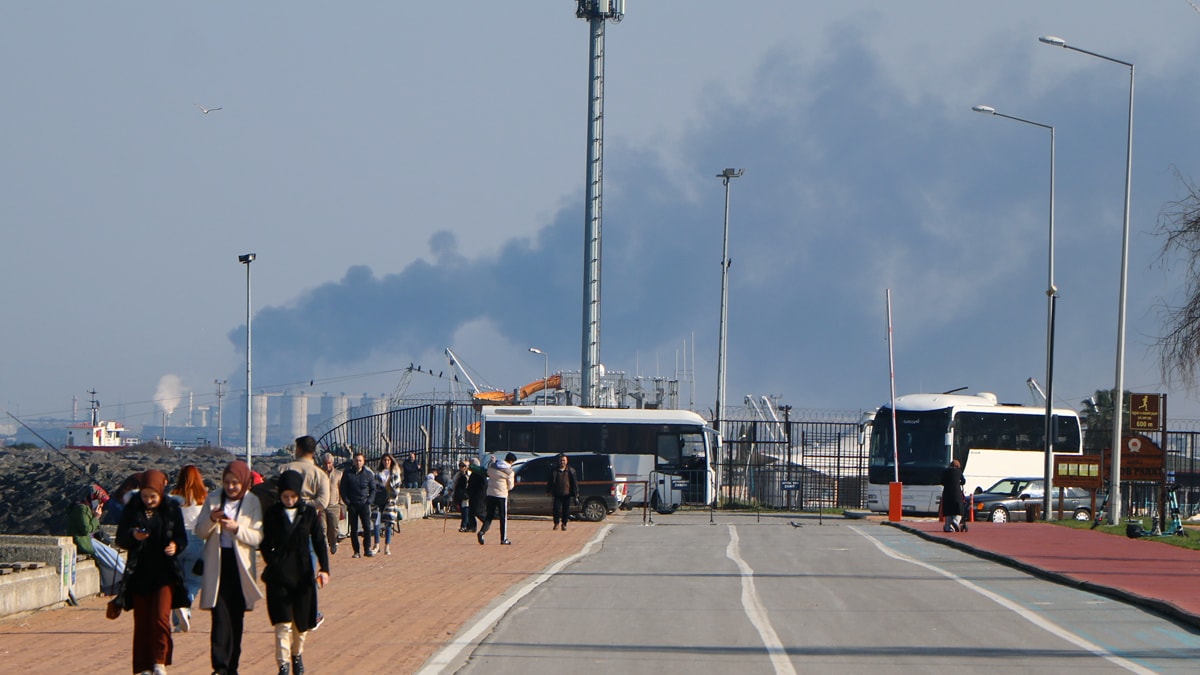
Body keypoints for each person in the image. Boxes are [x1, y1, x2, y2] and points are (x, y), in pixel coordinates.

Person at [114, 469, 188, 675]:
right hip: (139, 572)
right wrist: (134, 536)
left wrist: (175, 546)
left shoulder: (172, 508)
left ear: (161, 493)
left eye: (153, 496)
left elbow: (182, 538)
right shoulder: (132, 508)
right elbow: (121, 538)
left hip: (165, 573)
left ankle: (159, 661)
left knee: (161, 618)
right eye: (145, 496)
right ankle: (142, 666)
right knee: (142, 621)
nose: (148, 500)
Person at [196, 460, 265, 675]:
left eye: (235, 483)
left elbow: (257, 536)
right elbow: (199, 531)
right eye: (227, 482)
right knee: (219, 616)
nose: (231, 487)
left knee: (236, 617)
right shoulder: (214, 498)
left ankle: (232, 665)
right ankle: (220, 667)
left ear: (243, 482)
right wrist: (211, 519)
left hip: (240, 564)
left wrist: (237, 529)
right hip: (219, 562)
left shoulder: (252, 502)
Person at [260, 470, 331, 675]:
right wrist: (272, 562)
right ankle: (283, 664)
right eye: (285, 496)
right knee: (282, 623)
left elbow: (319, 541)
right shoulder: (273, 513)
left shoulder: (308, 513)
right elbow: (265, 544)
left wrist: (324, 569)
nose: (289, 500)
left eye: (293, 496)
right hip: (279, 576)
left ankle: (296, 654)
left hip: (303, 574)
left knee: (301, 624)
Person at [66, 483, 126, 595]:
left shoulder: (83, 507)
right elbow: (85, 529)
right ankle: (122, 578)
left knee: (111, 554)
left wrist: (95, 518)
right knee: (109, 555)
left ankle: (119, 579)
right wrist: (96, 518)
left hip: (88, 540)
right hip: (84, 542)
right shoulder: (81, 509)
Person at [169, 465, 207, 632]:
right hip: (196, 539)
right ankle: (185, 608)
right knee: (194, 581)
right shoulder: (203, 497)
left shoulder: (173, 497)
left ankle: (178, 619)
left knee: (177, 581)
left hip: (177, 540)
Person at [280, 436, 331, 515]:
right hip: (309, 517)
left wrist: (293, 501)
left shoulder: (283, 469)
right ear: (313, 451)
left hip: (285, 515)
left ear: (298, 449)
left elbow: (273, 494)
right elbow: (322, 503)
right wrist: (305, 502)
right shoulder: (321, 475)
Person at [338, 451, 376, 558]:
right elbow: (343, 489)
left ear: (363, 462)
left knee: (367, 528)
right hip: (352, 504)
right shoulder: (347, 473)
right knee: (353, 529)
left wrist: (369, 501)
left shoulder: (368, 475)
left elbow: (373, 489)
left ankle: (367, 549)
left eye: (360, 461)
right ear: (353, 461)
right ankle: (356, 551)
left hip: (364, 504)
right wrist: (347, 502)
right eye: (356, 460)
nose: (358, 463)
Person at [477, 453, 516, 546]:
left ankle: (482, 532)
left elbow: (488, 473)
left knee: (489, 515)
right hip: (501, 495)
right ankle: (503, 538)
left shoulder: (493, 465)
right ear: (511, 462)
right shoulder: (509, 471)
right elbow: (510, 486)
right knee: (503, 517)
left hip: (490, 493)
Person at [376, 453, 403, 555]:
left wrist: (392, 495)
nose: (386, 462)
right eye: (384, 460)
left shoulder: (395, 474)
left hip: (390, 500)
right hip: (379, 500)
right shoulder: (378, 473)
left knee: (388, 524)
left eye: (388, 460)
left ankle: (387, 546)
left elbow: (397, 488)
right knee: (376, 523)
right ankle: (376, 544)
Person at [546, 453, 579, 531]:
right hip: (557, 493)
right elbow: (550, 482)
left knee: (566, 510)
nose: (562, 462)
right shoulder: (554, 471)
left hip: (567, 494)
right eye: (561, 460)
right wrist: (548, 490)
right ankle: (556, 523)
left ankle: (564, 524)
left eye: (564, 460)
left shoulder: (570, 471)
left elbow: (574, 483)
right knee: (556, 509)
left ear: (567, 461)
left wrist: (576, 494)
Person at [321, 454, 344, 555]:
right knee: (322, 527)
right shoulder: (319, 474)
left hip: (334, 504)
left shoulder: (339, 474)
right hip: (321, 505)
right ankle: (324, 545)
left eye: (329, 463)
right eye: (325, 463)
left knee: (333, 527)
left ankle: (333, 542)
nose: (327, 465)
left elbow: (342, 490)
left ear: (332, 463)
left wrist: (342, 504)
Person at [941, 459, 967, 532]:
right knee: (959, 509)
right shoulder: (958, 472)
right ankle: (955, 521)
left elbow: (941, 481)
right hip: (956, 493)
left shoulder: (945, 472)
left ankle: (948, 527)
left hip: (947, 494)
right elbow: (963, 481)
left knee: (948, 511)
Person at [452, 459, 474, 532]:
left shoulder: (470, 474)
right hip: (459, 494)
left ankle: (464, 526)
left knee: (466, 510)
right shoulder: (458, 475)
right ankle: (468, 525)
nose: (462, 467)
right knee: (463, 510)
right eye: (460, 466)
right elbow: (453, 483)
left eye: (464, 466)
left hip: (467, 494)